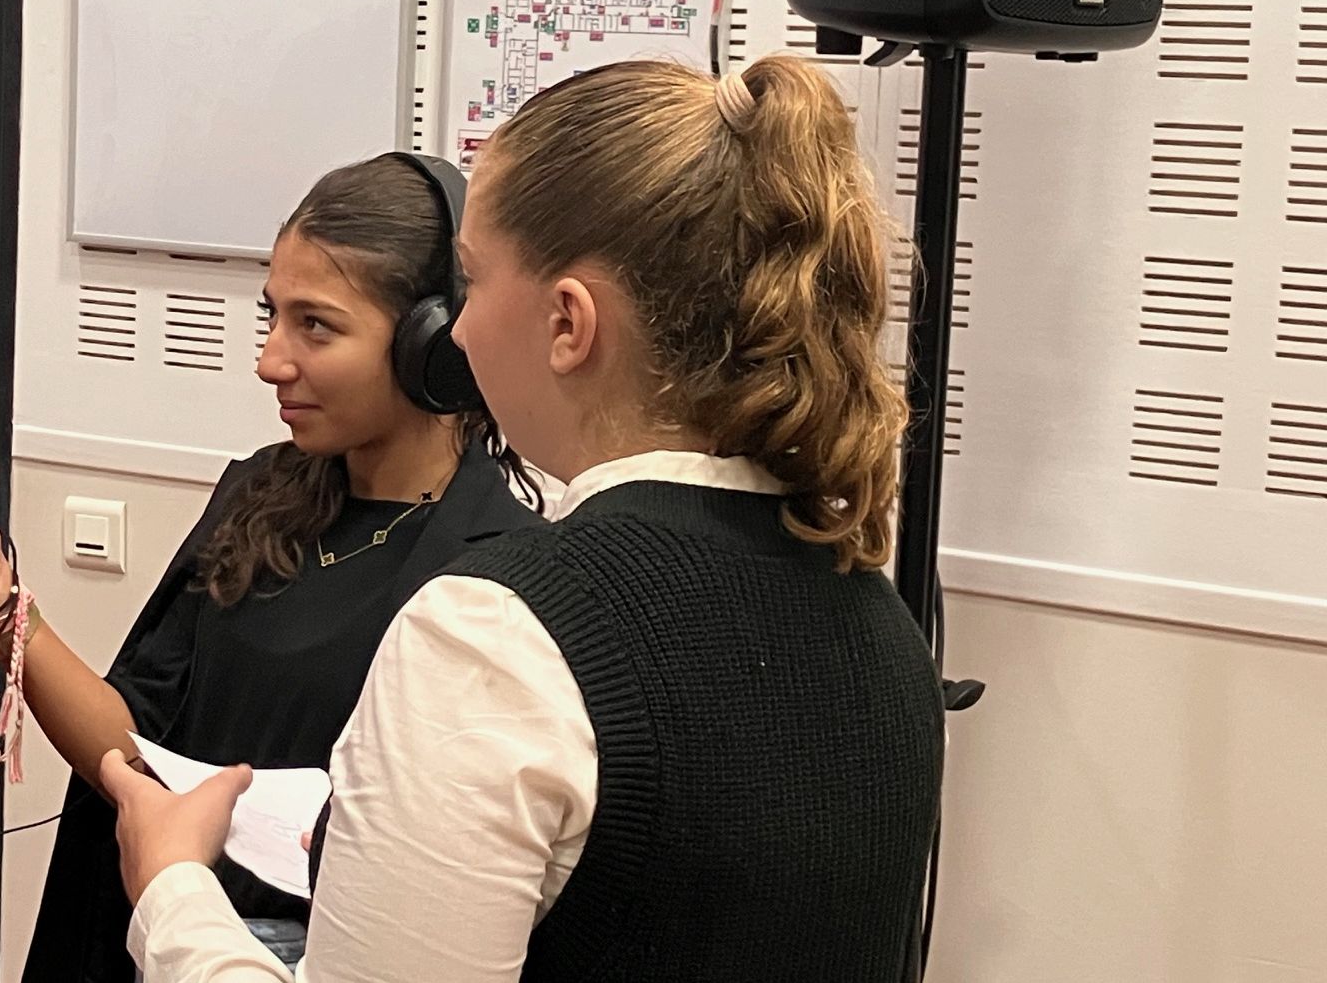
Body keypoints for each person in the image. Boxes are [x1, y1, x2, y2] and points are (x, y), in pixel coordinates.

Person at [103, 56, 949, 982]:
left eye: (472, 280)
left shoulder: (494, 638)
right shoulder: (883, 630)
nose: (457, 332)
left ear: (568, 323)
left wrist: (174, 888)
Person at [0, 153, 544, 980]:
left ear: (432, 344)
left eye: (317, 325)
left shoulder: (494, 572)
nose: (272, 360)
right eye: (273, 316)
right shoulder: (259, 493)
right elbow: (131, 749)